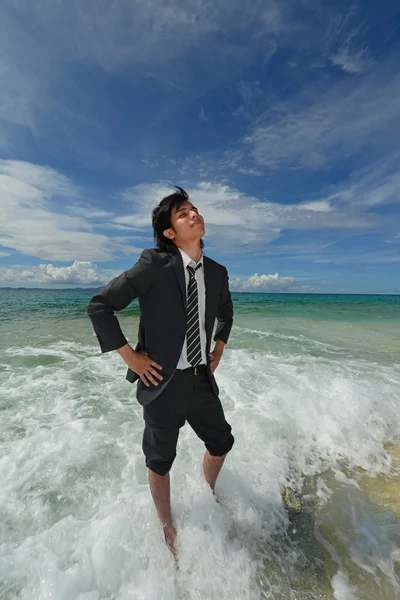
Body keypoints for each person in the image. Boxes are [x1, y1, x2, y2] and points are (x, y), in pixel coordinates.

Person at [87, 186, 234, 557]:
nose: (194, 214)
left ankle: (207, 490)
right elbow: (100, 306)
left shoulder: (217, 271)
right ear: (170, 233)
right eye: (183, 213)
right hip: (162, 385)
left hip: (201, 380)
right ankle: (167, 524)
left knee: (222, 443)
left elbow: (226, 312)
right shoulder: (154, 264)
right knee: (160, 461)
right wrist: (130, 358)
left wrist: (219, 346)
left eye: (194, 209)